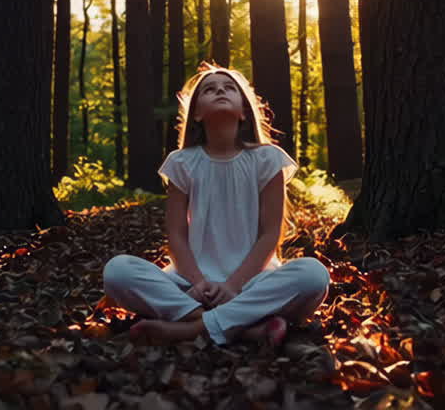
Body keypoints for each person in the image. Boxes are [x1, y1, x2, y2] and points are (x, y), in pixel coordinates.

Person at [102, 63, 330, 346]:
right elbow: (176, 235)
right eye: (209, 89)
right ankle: (241, 326)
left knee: (313, 275)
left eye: (229, 88)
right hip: (190, 283)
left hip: (253, 282)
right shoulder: (182, 162)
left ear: (244, 111)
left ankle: (191, 327)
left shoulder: (268, 159)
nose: (220, 90)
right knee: (118, 270)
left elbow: (271, 233)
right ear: (196, 114)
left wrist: (234, 286)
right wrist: (198, 283)